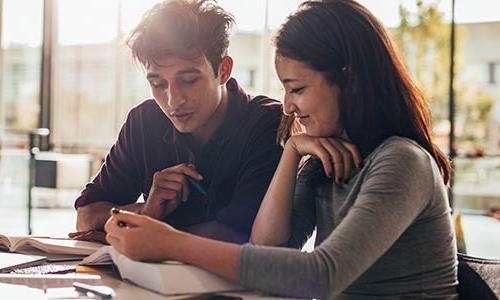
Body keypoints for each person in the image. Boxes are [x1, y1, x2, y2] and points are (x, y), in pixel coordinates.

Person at [104, 0, 458, 298]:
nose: (287, 107)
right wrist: (291, 151)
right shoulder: (323, 159)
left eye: (297, 89)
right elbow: (268, 247)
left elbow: (320, 275)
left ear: (347, 79)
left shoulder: (402, 161)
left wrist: (170, 243)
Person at [70, 0, 282, 244]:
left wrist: (145, 233)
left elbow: (247, 237)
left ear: (223, 71)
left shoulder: (267, 124)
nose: (173, 101)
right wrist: (146, 212)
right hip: (146, 280)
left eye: (189, 80)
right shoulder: (144, 122)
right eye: (158, 84)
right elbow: (86, 216)